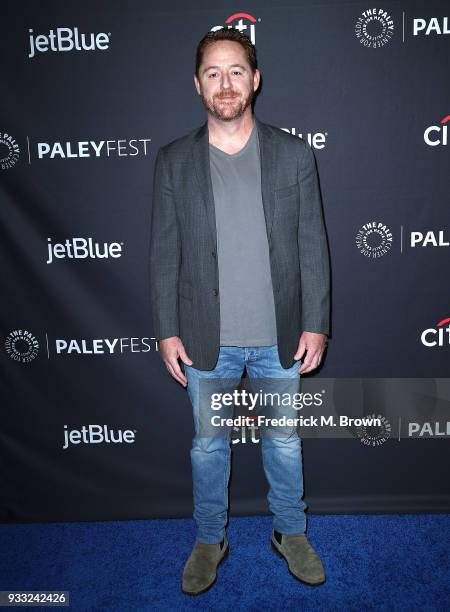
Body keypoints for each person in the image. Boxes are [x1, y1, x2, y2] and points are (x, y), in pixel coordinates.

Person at [149, 27, 330, 595]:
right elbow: (165, 252)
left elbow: (311, 245)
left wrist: (317, 322)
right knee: (208, 446)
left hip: (278, 335)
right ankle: (210, 539)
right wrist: (167, 331)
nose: (224, 83)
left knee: (283, 442)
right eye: (212, 73)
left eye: (235, 72)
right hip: (207, 339)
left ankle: (290, 533)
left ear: (254, 80)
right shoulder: (174, 162)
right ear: (197, 85)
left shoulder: (293, 154)